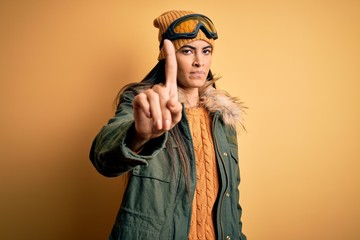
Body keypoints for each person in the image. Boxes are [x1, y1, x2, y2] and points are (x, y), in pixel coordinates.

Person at [90, 10, 247, 240]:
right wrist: (139, 135)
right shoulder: (145, 104)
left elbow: (231, 201)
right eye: (187, 51)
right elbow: (103, 157)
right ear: (167, 55)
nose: (199, 61)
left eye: (206, 51)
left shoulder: (223, 118)